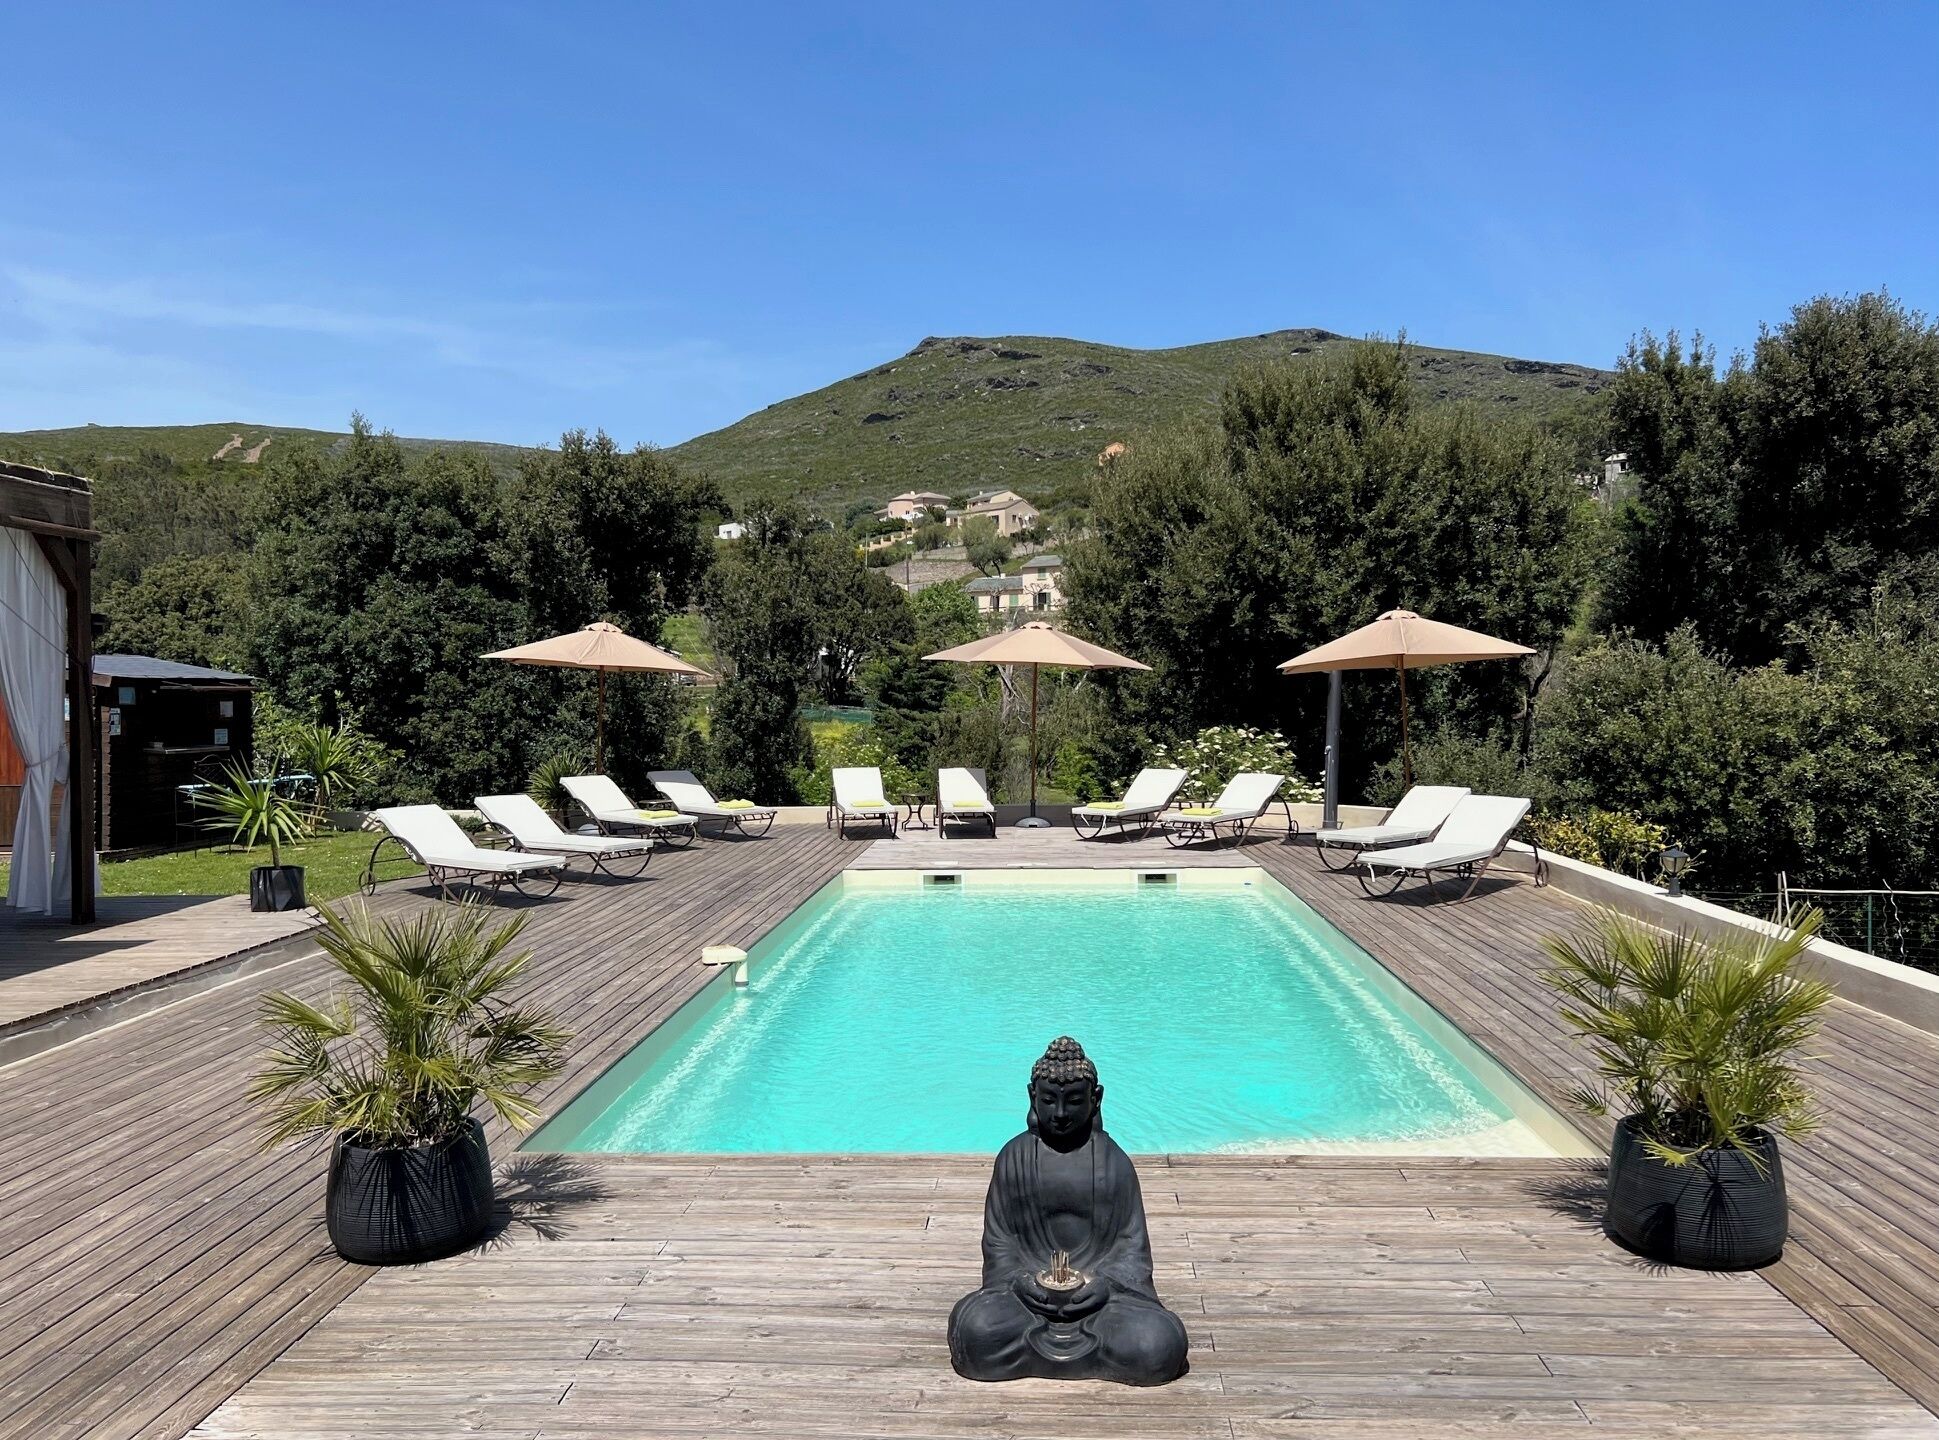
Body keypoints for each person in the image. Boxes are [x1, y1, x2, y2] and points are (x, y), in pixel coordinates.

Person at [947, 1036, 1190, 1385]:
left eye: (1074, 1101)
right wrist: (1018, 1280)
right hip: (1026, 1300)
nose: (1060, 1114)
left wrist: (1105, 1285)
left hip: (1104, 1303)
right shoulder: (1013, 1159)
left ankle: (1043, 1353)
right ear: (1033, 1096)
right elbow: (999, 1243)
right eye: (1048, 1100)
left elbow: (1131, 1249)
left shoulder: (1115, 1164)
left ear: (1096, 1099)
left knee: (1158, 1344)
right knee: (976, 1331)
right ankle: (1085, 1355)